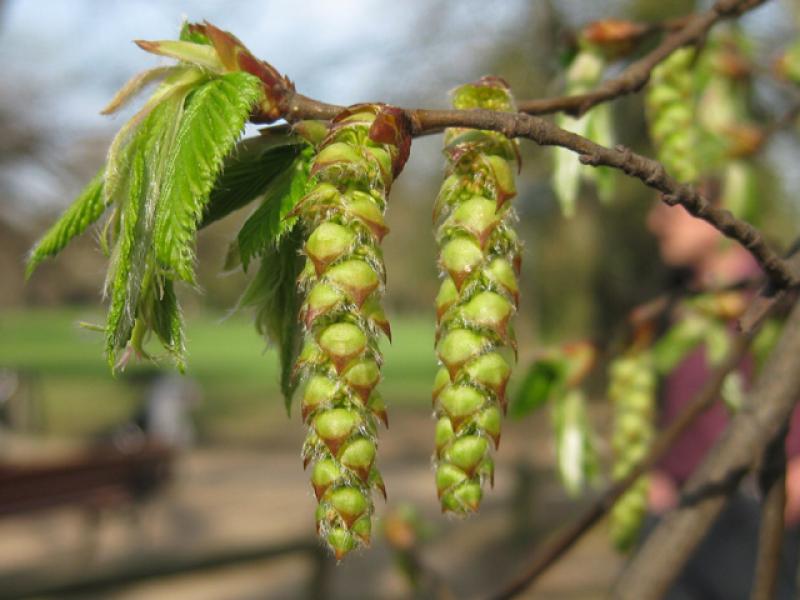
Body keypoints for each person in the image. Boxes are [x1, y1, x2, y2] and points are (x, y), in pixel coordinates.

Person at [645, 201, 800, 599]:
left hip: (758, 508)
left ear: (716, 209)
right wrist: (658, 478)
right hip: (679, 510)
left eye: (667, 208)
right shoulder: (673, 304)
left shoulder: (777, 296)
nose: (654, 223)